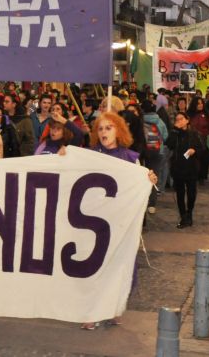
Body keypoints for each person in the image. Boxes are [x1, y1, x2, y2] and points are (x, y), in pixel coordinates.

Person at [83, 111, 157, 330]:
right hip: (96, 223)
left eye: (109, 127)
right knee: (96, 266)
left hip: (121, 224)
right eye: (100, 128)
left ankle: (114, 307)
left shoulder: (130, 158)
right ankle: (93, 311)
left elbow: (140, 183)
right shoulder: (91, 156)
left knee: (120, 265)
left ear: (119, 130)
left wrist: (149, 179)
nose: (104, 132)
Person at [166, 112, 203, 228]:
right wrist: (174, 130)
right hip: (178, 168)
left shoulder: (194, 134)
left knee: (192, 193)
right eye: (176, 119)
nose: (179, 121)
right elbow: (169, 145)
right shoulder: (174, 133)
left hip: (191, 168)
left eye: (181, 119)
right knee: (180, 193)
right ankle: (183, 216)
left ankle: (189, 212)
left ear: (187, 120)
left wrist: (194, 151)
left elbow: (202, 149)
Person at [141, 100, 168, 214]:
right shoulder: (160, 121)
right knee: (153, 177)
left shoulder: (140, 121)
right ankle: (152, 205)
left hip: (143, 152)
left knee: (142, 177)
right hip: (157, 152)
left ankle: (142, 201)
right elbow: (165, 136)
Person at [187, 97, 209, 184]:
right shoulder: (189, 114)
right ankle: (194, 175)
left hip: (205, 140)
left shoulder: (207, 113)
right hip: (192, 140)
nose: (200, 105)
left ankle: (202, 177)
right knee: (193, 159)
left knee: (204, 159)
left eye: (201, 103)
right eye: (198, 103)